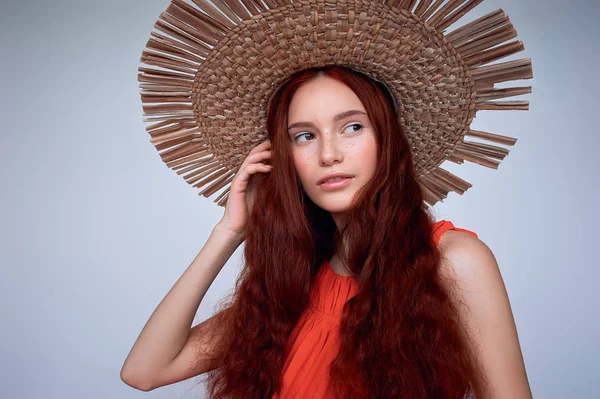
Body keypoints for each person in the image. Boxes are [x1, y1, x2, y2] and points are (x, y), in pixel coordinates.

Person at [122, 1, 534, 398]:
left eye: (352, 127)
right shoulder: (292, 285)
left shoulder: (455, 260)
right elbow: (145, 371)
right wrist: (230, 231)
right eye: (305, 135)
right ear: (286, 160)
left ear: (387, 140)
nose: (328, 154)